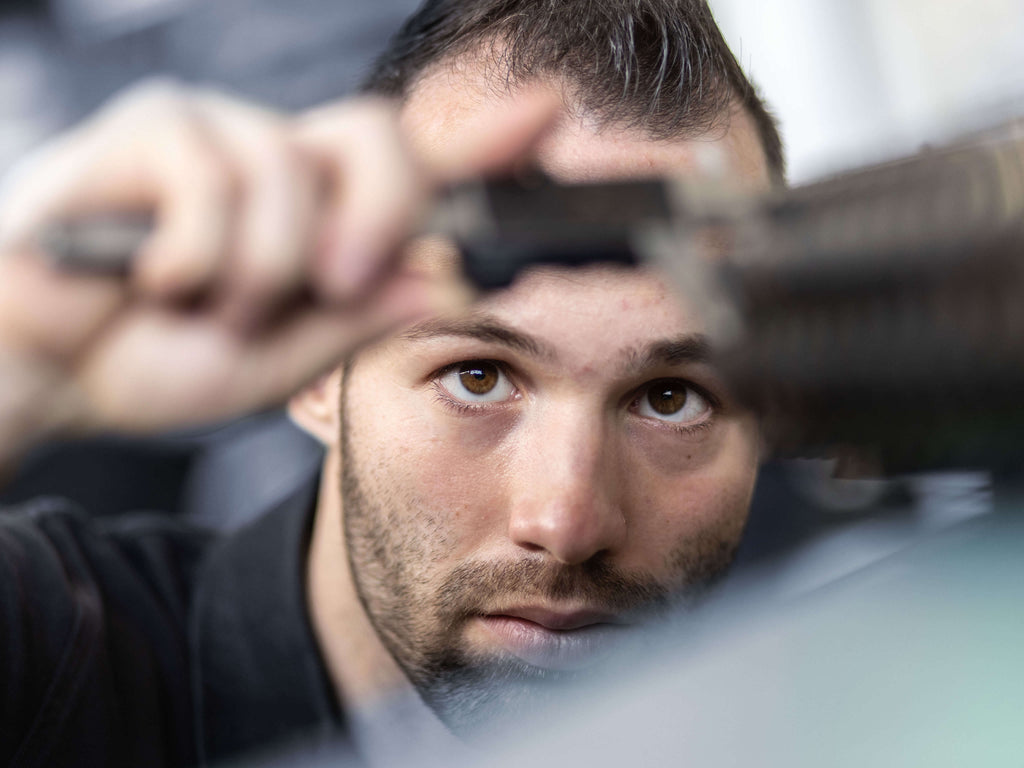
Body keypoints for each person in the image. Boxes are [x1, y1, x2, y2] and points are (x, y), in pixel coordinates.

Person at [0, 0, 783, 765]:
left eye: (670, 399)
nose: (567, 519)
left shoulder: (841, 653)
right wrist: (14, 365)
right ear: (316, 378)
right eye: (478, 378)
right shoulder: (61, 665)